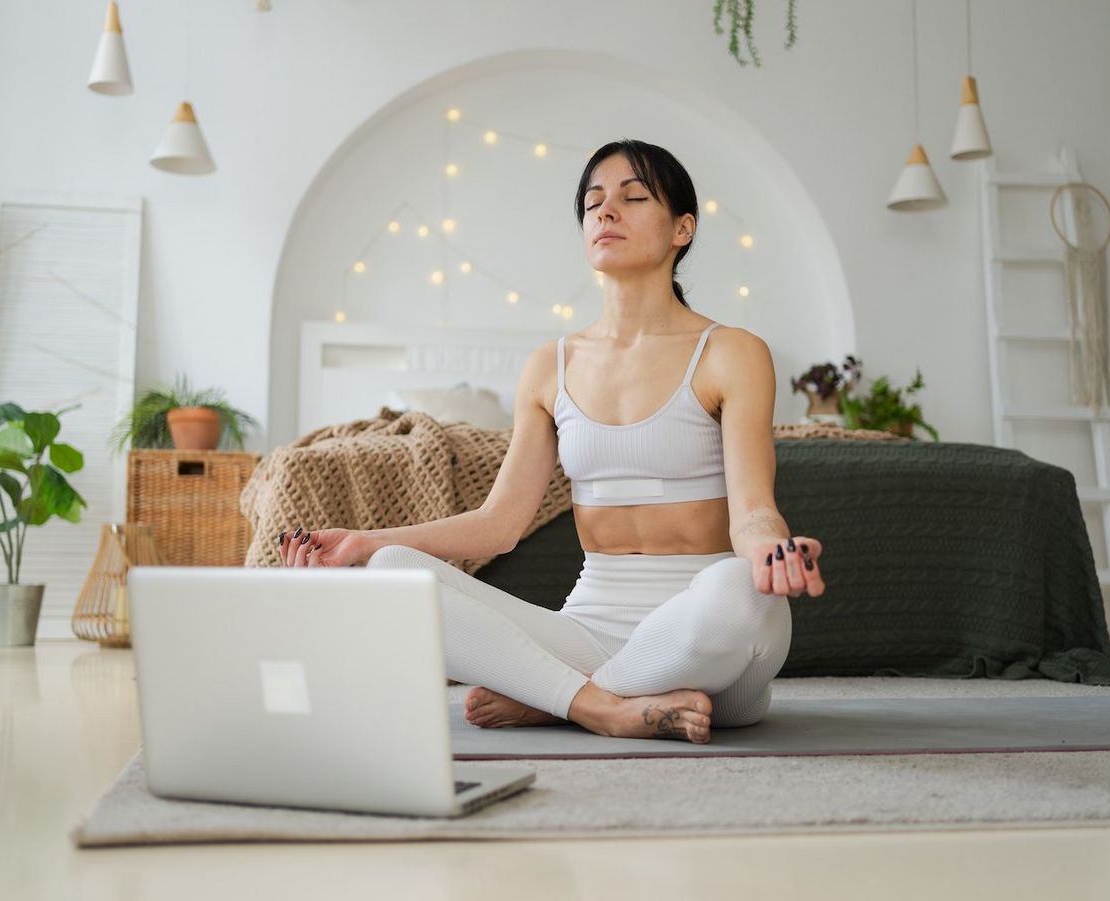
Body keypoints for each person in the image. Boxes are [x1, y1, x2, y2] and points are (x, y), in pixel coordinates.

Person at [277, 139, 826, 744]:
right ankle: (604, 705)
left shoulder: (732, 352)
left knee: (741, 591)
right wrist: (365, 541)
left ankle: (558, 698)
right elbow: (499, 523)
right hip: (588, 628)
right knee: (389, 573)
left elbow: (752, 512)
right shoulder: (550, 365)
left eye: (633, 197)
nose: (606, 212)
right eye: (593, 203)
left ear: (683, 228)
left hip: (711, 641)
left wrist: (774, 553)